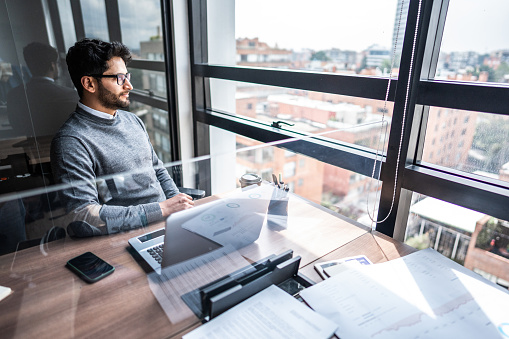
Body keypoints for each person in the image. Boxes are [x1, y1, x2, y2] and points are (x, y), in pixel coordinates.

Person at [50, 38, 193, 237]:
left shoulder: (133, 120)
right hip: (126, 236)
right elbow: (83, 215)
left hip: (166, 223)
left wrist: (178, 205)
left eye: (127, 76)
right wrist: (162, 209)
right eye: (119, 78)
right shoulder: (71, 141)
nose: (129, 86)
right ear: (89, 83)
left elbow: (158, 170)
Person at [7, 42, 78, 137]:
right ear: (52, 66)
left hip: (31, 150)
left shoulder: (14, 95)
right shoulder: (70, 95)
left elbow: (17, 128)